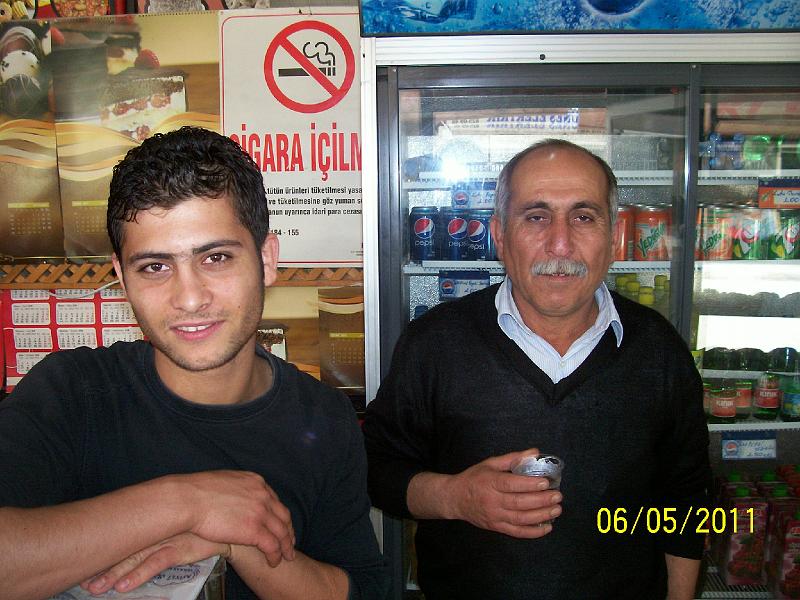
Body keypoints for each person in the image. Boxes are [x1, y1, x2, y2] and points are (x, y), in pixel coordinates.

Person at [0, 127, 388, 600]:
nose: (189, 298)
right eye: (155, 267)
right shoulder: (70, 393)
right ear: (122, 277)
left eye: (216, 257)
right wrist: (186, 503)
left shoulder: (323, 417)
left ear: (266, 259)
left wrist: (238, 540)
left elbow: (358, 589)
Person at [363, 139, 711, 600]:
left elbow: (686, 500)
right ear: (500, 236)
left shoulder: (660, 350)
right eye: (536, 217)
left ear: (613, 239)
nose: (560, 244)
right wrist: (456, 498)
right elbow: (376, 469)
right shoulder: (434, 343)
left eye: (583, 217)